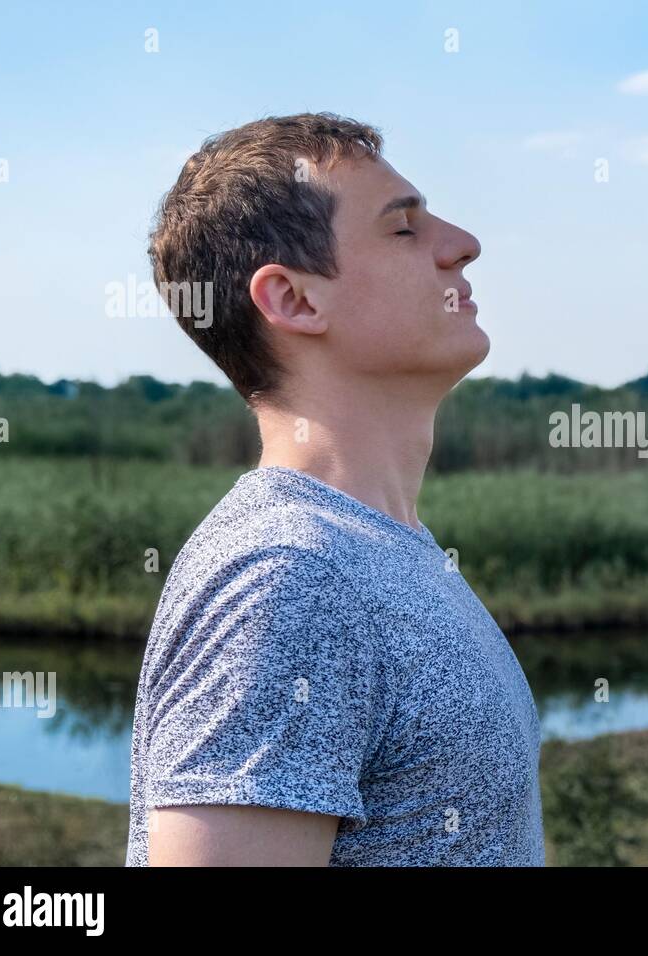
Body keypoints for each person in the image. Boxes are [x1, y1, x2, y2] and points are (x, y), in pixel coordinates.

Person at [124, 113, 544, 866]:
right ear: (294, 300)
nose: (463, 244)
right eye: (404, 230)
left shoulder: (377, 548)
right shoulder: (287, 578)